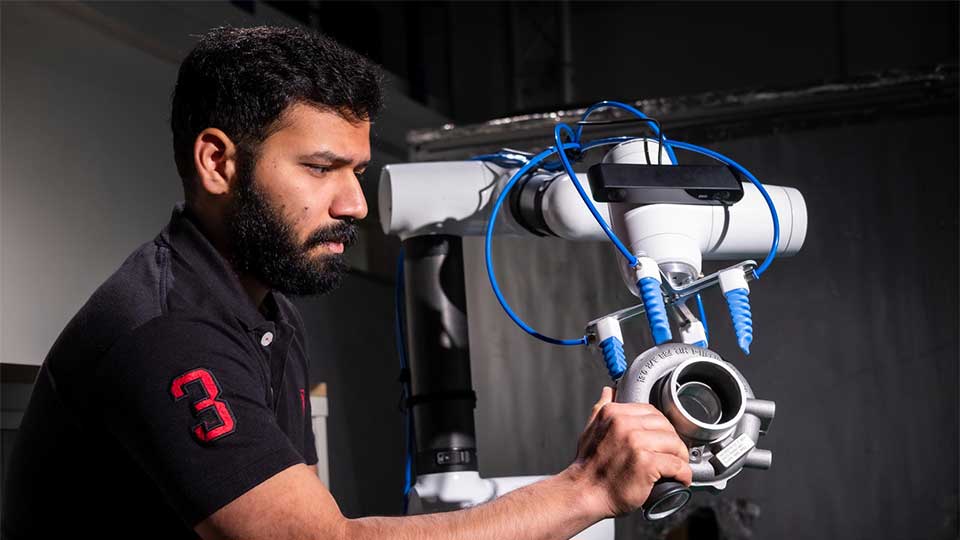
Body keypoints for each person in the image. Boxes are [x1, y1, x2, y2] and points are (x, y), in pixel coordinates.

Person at [1, 26, 692, 540]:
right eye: (320, 167)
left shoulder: (261, 307)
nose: (354, 203)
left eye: (356, 171)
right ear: (217, 163)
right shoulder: (169, 330)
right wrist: (587, 488)